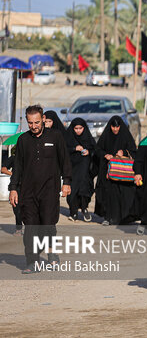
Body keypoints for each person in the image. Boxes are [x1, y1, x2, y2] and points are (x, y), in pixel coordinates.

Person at [9, 105, 72, 274]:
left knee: (48, 224)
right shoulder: (23, 140)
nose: (34, 126)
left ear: (43, 119)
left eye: (37, 122)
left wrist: (67, 182)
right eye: (30, 123)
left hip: (49, 191)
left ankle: (52, 253)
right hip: (28, 192)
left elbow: (65, 160)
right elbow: (18, 167)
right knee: (30, 228)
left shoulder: (56, 136)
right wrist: (13, 189)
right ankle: (32, 262)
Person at [95, 116, 137, 226]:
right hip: (108, 172)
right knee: (108, 195)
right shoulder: (106, 136)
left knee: (123, 195)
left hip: (123, 173)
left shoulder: (126, 136)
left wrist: (124, 152)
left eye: (117, 127)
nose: (115, 129)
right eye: (113, 126)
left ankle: (124, 218)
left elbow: (134, 151)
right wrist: (105, 154)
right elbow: (98, 149)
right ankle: (108, 217)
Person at [66, 118, 96, 222]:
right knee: (72, 191)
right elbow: (64, 150)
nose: (78, 130)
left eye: (80, 128)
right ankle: (73, 212)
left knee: (85, 189)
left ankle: (84, 208)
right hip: (72, 169)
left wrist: (89, 152)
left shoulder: (88, 138)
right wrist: (74, 149)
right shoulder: (68, 137)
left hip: (85, 170)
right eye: (76, 128)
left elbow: (95, 150)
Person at [1, 147, 22, 235]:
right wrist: (13, 174)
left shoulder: (31, 158)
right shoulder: (13, 158)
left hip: (30, 187)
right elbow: (3, 169)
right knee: (17, 209)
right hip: (16, 187)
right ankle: (18, 229)